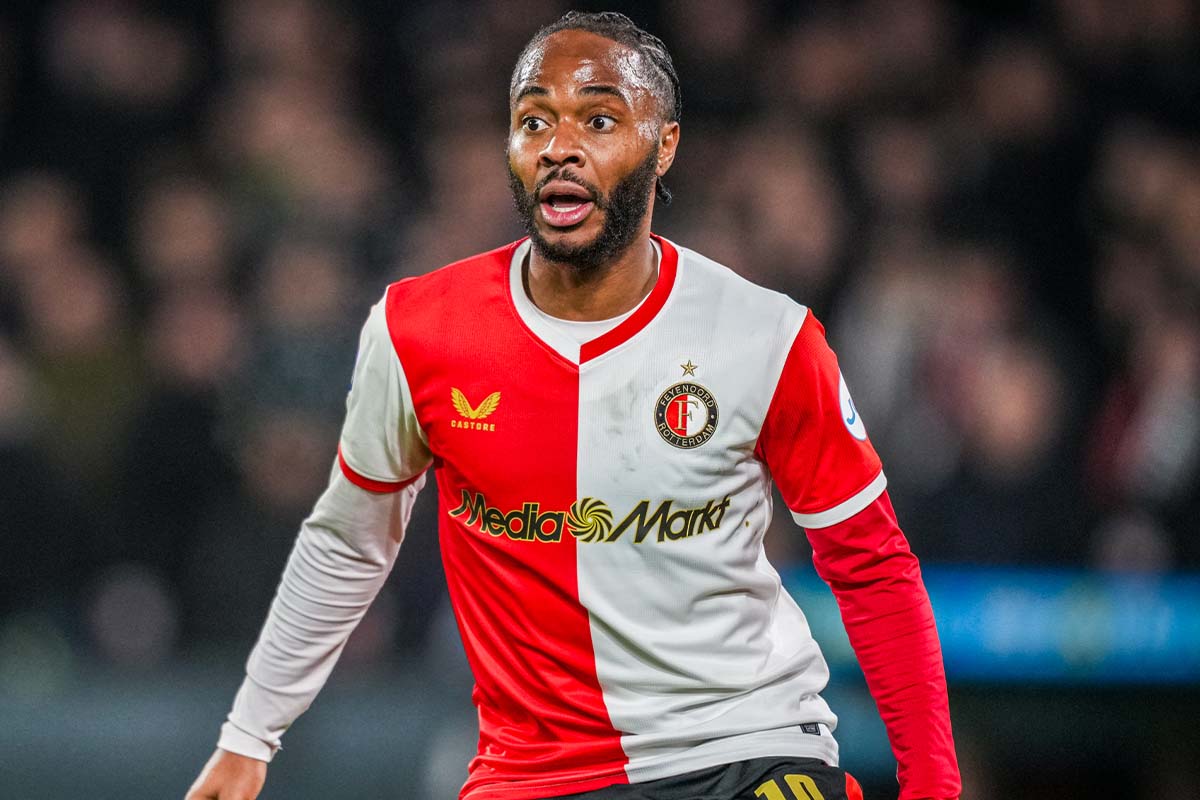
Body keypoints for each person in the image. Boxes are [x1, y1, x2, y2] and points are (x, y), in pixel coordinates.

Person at [186, 11, 961, 800]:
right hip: (533, 778)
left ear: (664, 145)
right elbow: (349, 544)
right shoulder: (417, 331)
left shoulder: (767, 336)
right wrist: (250, 735)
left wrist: (933, 784)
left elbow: (871, 565)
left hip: (744, 749)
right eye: (534, 120)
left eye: (598, 120)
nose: (560, 145)